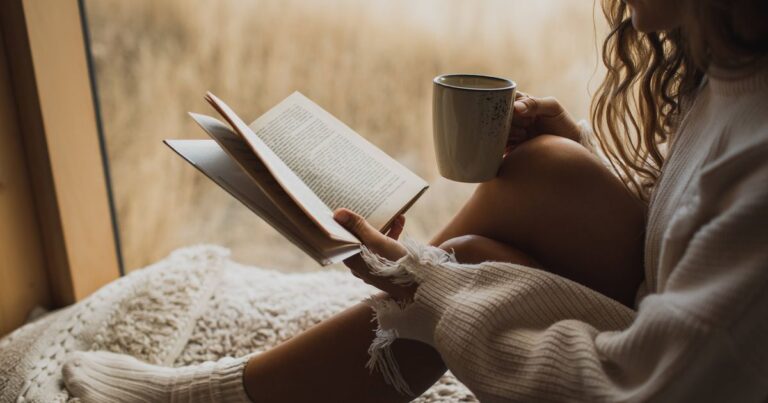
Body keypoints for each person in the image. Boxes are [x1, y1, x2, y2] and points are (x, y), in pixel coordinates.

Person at [62, 0, 768, 401]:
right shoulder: (732, 73)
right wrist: (577, 151)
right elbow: (693, 233)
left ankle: (221, 398)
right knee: (542, 177)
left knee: (457, 270)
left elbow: (648, 389)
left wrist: (440, 296)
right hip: (665, 324)